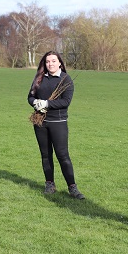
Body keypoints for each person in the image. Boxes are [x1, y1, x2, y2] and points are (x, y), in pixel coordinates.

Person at [27, 50, 85, 199]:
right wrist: (36, 103)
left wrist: (47, 103)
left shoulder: (66, 79)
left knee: (62, 155)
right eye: (47, 61)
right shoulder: (39, 78)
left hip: (58, 123)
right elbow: (30, 96)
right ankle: (49, 184)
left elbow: (65, 102)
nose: (50, 64)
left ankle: (72, 187)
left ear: (59, 62)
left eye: (53, 61)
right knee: (45, 155)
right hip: (40, 123)